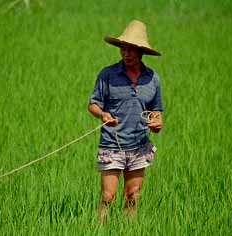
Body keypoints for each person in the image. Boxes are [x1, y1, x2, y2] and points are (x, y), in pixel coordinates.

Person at [88, 20, 164, 222]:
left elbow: (156, 110)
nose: (126, 53)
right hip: (112, 144)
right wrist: (102, 115)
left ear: (141, 52)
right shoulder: (108, 74)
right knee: (108, 196)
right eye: (123, 48)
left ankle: (128, 230)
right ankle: (99, 229)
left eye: (131, 49)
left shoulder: (152, 78)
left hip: (139, 145)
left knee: (133, 196)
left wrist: (157, 123)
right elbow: (93, 104)